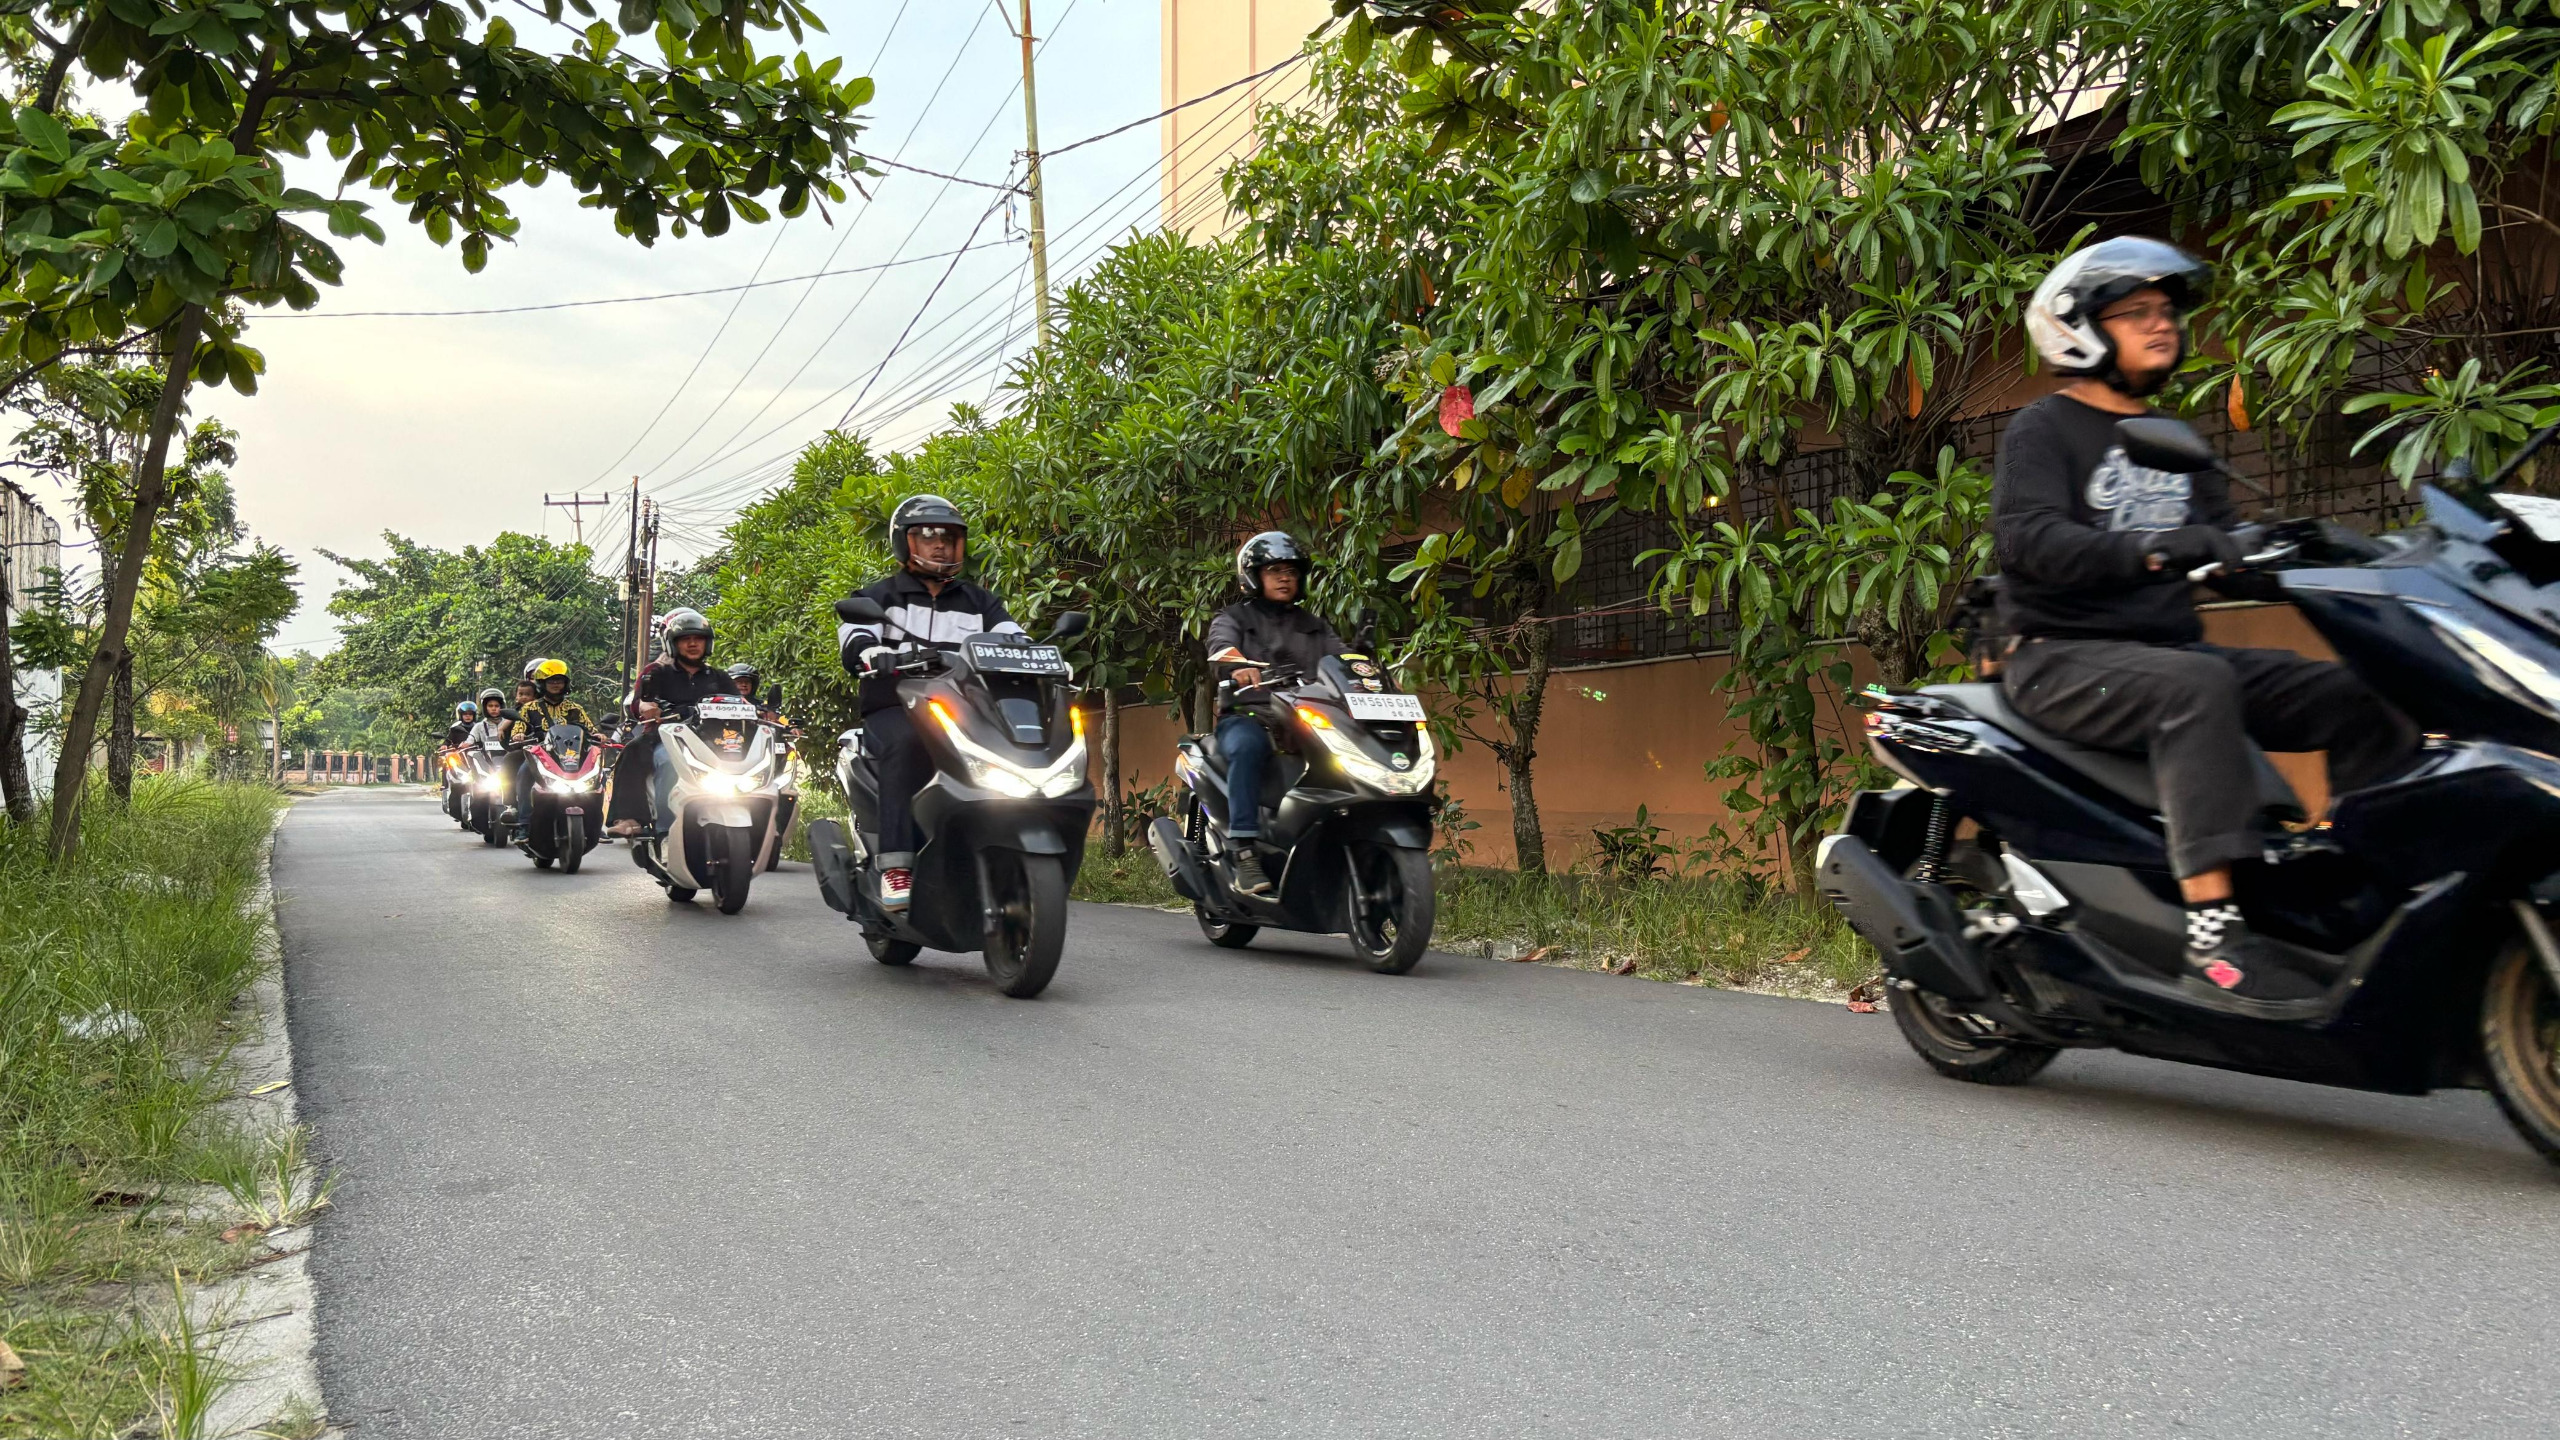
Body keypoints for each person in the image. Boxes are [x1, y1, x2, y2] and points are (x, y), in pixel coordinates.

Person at [1995, 236, 2418, 1001]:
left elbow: (2221, 545)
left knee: (2358, 693)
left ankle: (2356, 892)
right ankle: (2213, 936)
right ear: (2077, 326)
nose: (2162, 323)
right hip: (2061, 657)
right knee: (2196, 686)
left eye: (2167, 310)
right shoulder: (2044, 428)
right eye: (2137, 311)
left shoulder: (2173, 440)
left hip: (2166, 654)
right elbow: (2029, 540)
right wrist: (2154, 548)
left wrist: (2300, 552)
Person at [837, 494, 1024, 910]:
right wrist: (871, 653)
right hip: (896, 707)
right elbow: (855, 637)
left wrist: (1040, 655)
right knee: (906, 744)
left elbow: (1013, 638)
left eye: (949, 538)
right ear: (904, 542)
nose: (940, 545)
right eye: (928, 536)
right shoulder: (879, 597)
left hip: (966, 710)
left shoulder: (980, 602)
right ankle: (897, 866)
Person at [1203, 531, 1346, 896]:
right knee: (1247, 747)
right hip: (1250, 715)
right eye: (1275, 570)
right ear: (1254, 576)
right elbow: (1220, 646)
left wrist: (1368, 671)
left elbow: (1343, 659)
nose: (1285, 578)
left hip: (1305, 719)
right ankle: (1244, 853)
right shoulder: (1234, 617)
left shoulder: (1314, 625)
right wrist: (1238, 666)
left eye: (1292, 572)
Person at [607, 609, 741, 837]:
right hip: (667, 737)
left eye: (698, 639)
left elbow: (740, 703)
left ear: (707, 643)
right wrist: (645, 707)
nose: (692, 644)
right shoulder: (657, 673)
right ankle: (660, 829)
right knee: (660, 759)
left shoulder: (719, 677)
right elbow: (638, 702)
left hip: (713, 739)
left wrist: (763, 713)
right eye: (685, 639)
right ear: (672, 643)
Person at [502, 658, 596, 826]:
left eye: (559, 680)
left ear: (566, 683)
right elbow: (518, 729)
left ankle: (594, 823)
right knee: (524, 772)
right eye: (550, 681)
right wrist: (519, 735)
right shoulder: (529, 708)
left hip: (570, 756)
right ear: (542, 683)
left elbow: (590, 729)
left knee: (595, 774)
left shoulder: (575, 708)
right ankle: (524, 822)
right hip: (539, 755)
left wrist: (599, 735)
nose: (555, 684)